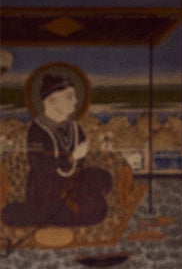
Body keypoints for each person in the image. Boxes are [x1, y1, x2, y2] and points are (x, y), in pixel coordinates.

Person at [2, 69, 111, 231]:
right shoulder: (38, 130)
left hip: (71, 182)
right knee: (95, 210)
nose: (75, 102)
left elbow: (80, 162)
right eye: (69, 97)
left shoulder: (74, 126)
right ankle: (48, 215)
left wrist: (79, 159)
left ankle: (72, 206)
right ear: (51, 100)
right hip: (46, 189)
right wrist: (71, 158)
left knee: (103, 177)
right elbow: (38, 164)